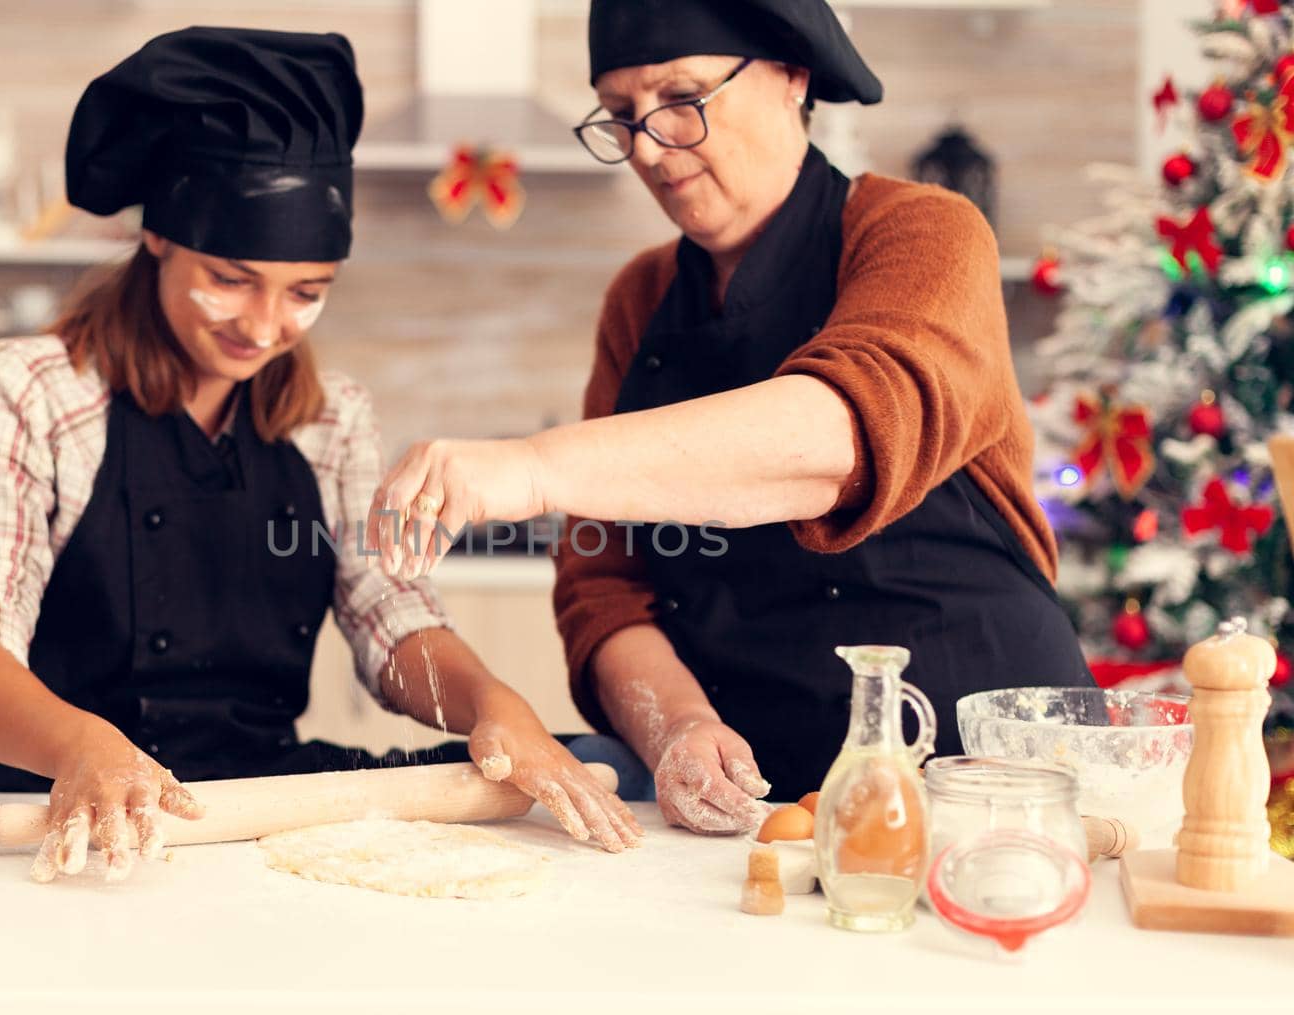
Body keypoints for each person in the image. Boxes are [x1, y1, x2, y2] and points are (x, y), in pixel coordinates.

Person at [0, 27, 639, 883]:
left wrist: (492, 701)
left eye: (306, 294)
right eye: (230, 277)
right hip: (59, 825)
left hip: (255, 817)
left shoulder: (332, 418)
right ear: (159, 239)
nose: (263, 327)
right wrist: (84, 745)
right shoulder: (31, 388)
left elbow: (389, 615)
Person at [368, 0, 1094, 834]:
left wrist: (531, 467)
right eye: (619, 114)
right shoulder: (639, 301)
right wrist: (675, 724)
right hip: (747, 805)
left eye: (681, 98)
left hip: (983, 774)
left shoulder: (922, 231)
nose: (645, 146)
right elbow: (604, 583)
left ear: (791, 75)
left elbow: (839, 437)